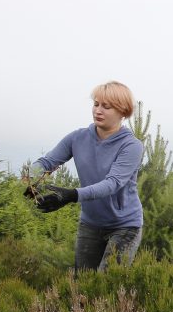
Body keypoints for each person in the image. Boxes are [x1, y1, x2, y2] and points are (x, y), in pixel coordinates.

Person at [29, 81, 146, 272]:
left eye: (106, 107)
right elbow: (47, 162)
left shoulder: (131, 146)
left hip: (125, 226)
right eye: (96, 104)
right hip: (91, 223)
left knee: (106, 284)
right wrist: (31, 178)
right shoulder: (77, 138)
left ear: (123, 112)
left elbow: (112, 184)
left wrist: (71, 195)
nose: (98, 110)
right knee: (83, 283)